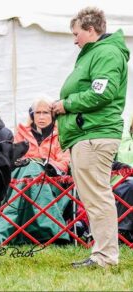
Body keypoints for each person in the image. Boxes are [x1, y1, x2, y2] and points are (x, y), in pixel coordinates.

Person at [51, 7, 130, 268]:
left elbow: (102, 93)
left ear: (91, 29)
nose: (75, 39)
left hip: (94, 134)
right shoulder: (95, 53)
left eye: (77, 33)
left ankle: (106, 257)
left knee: (97, 197)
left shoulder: (106, 53)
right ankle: (101, 253)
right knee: (94, 197)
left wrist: (67, 104)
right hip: (87, 133)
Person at [0, 97, 71, 245]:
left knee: (34, 170)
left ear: (53, 115)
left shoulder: (62, 134)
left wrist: (46, 164)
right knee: (31, 169)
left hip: (52, 181)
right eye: (37, 112)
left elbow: (65, 161)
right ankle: (53, 231)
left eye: (46, 113)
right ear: (31, 115)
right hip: (21, 180)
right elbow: (14, 159)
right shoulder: (21, 133)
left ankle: (7, 231)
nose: (41, 117)